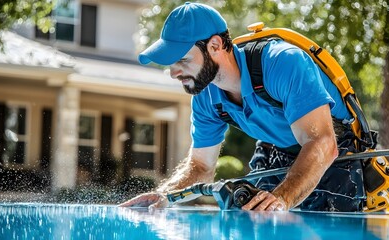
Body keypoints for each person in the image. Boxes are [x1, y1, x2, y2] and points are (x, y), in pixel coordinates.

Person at [119, 2, 365, 212]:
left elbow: (322, 143)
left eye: (182, 60)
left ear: (215, 46)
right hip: (276, 151)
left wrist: (281, 198)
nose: (174, 73)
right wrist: (166, 195)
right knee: (256, 220)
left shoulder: (283, 63)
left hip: (334, 152)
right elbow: (201, 167)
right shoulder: (205, 97)